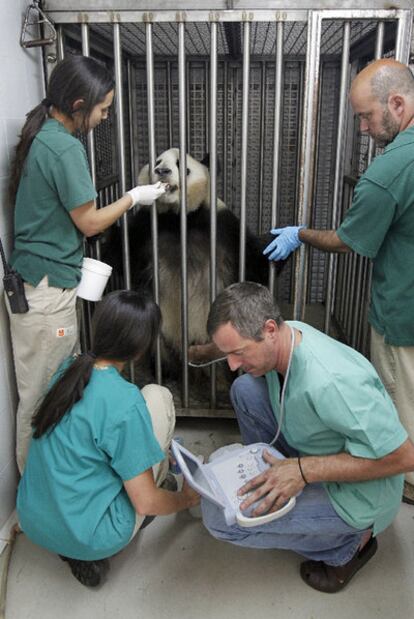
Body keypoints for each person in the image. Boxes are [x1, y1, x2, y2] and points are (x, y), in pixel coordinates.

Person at [263, 58, 414, 505]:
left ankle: (399, 484)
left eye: (366, 116)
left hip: (403, 311)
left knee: (399, 404)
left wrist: (299, 233)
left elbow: (349, 241)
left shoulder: (389, 172)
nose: (363, 128)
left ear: (398, 103)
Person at [5, 54, 166, 473]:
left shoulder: (43, 136)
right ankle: (37, 489)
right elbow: (90, 222)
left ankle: (53, 479)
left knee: (53, 388)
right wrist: (135, 196)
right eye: (103, 108)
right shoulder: (63, 148)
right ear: (79, 104)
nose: (105, 117)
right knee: (43, 396)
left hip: (41, 281)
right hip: (45, 290)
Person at [201, 281, 414, 593]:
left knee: (220, 518)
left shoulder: (333, 383)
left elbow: (405, 457)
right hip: (315, 447)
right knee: (245, 389)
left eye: (237, 353)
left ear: (270, 329)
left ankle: (348, 547)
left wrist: (303, 471)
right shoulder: (289, 332)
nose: (232, 364)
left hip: (359, 496)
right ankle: (282, 488)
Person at [17, 289, 200, 588]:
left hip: (34, 521)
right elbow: (147, 503)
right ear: (141, 347)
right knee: (158, 395)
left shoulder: (67, 369)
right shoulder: (125, 401)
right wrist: (185, 499)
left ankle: (70, 548)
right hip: (93, 536)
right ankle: (86, 552)